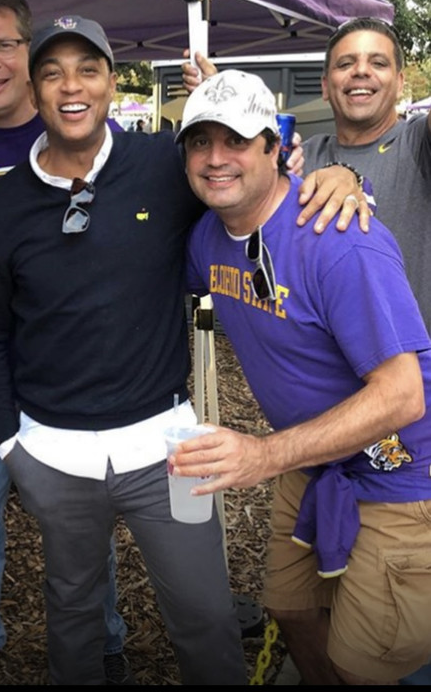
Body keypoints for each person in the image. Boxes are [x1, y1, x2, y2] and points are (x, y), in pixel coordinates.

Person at [176, 69, 431, 685]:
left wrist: (263, 455)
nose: (216, 159)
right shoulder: (209, 238)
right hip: (316, 462)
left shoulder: (339, 241)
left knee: (362, 664)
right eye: (200, 141)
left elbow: (403, 395)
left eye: (237, 141)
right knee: (290, 610)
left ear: (274, 147)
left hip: (404, 476)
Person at [0, 0, 129, 685]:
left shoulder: (81, 132)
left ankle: (104, 641)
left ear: (30, 48)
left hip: (62, 373)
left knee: (81, 523)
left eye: (4, 45)